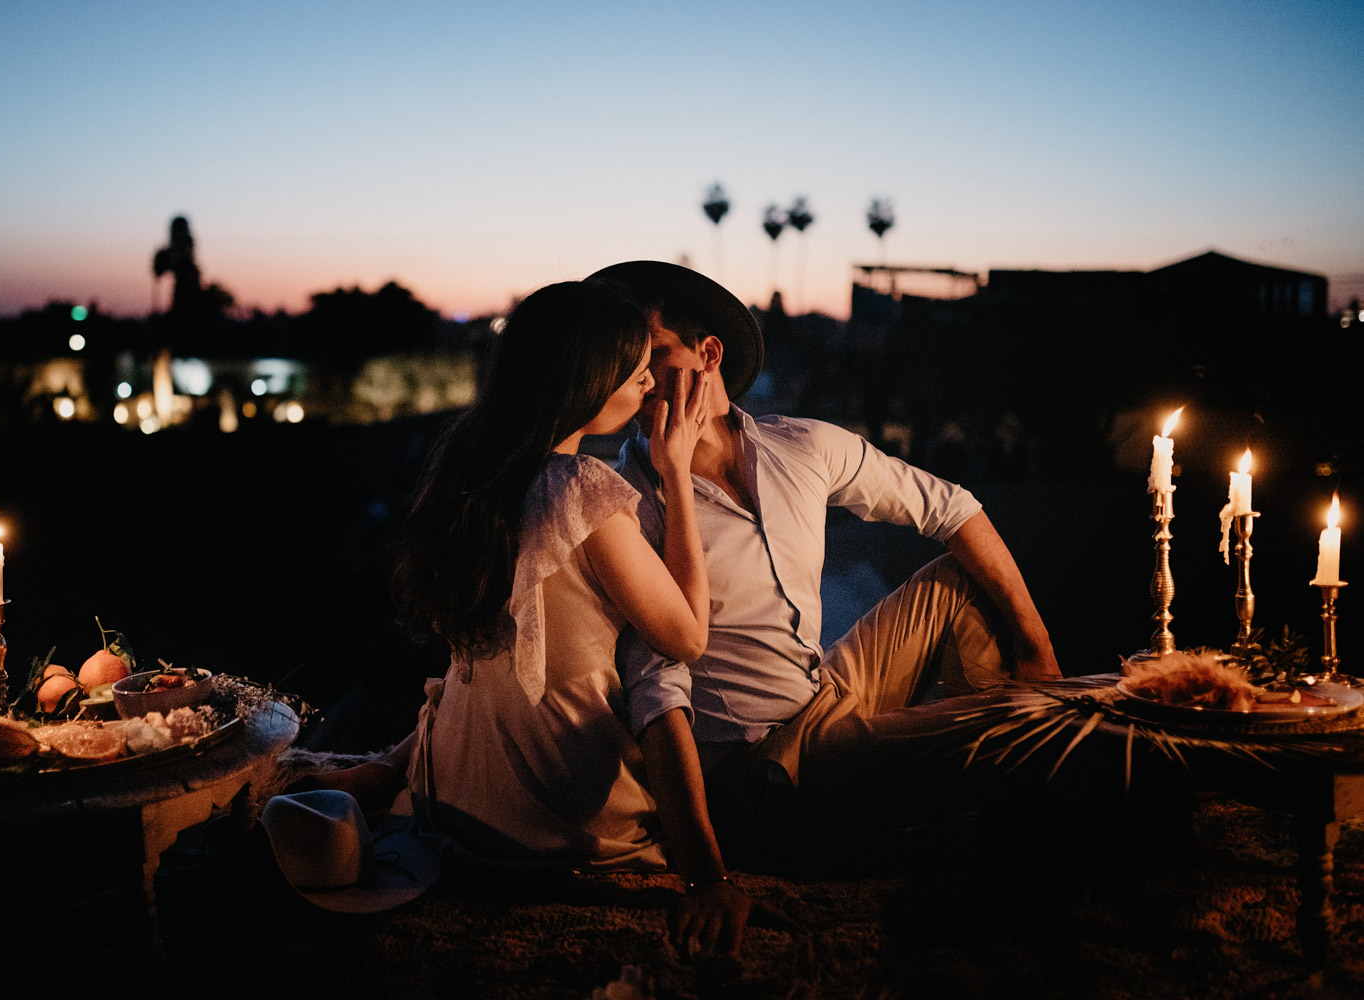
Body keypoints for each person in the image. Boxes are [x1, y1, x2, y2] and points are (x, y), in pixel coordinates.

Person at [588, 260, 1063, 956]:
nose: (637, 376)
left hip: (826, 694)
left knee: (955, 584)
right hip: (757, 770)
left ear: (708, 352)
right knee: (992, 734)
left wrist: (1036, 646)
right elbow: (656, 692)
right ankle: (1007, 839)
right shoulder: (627, 501)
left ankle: (999, 802)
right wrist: (705, 876)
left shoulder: (797, 445)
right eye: (627, 360)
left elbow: (952, 507)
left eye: (654, 353)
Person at [307, 279, 715, 876]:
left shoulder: (469, 469)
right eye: (636, 371)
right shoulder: (581, 489)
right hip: (552, 810)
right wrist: (676, 471)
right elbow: (689, 638)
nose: (651, 381)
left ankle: (387, 769)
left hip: (454, 790)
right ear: (587, 379)